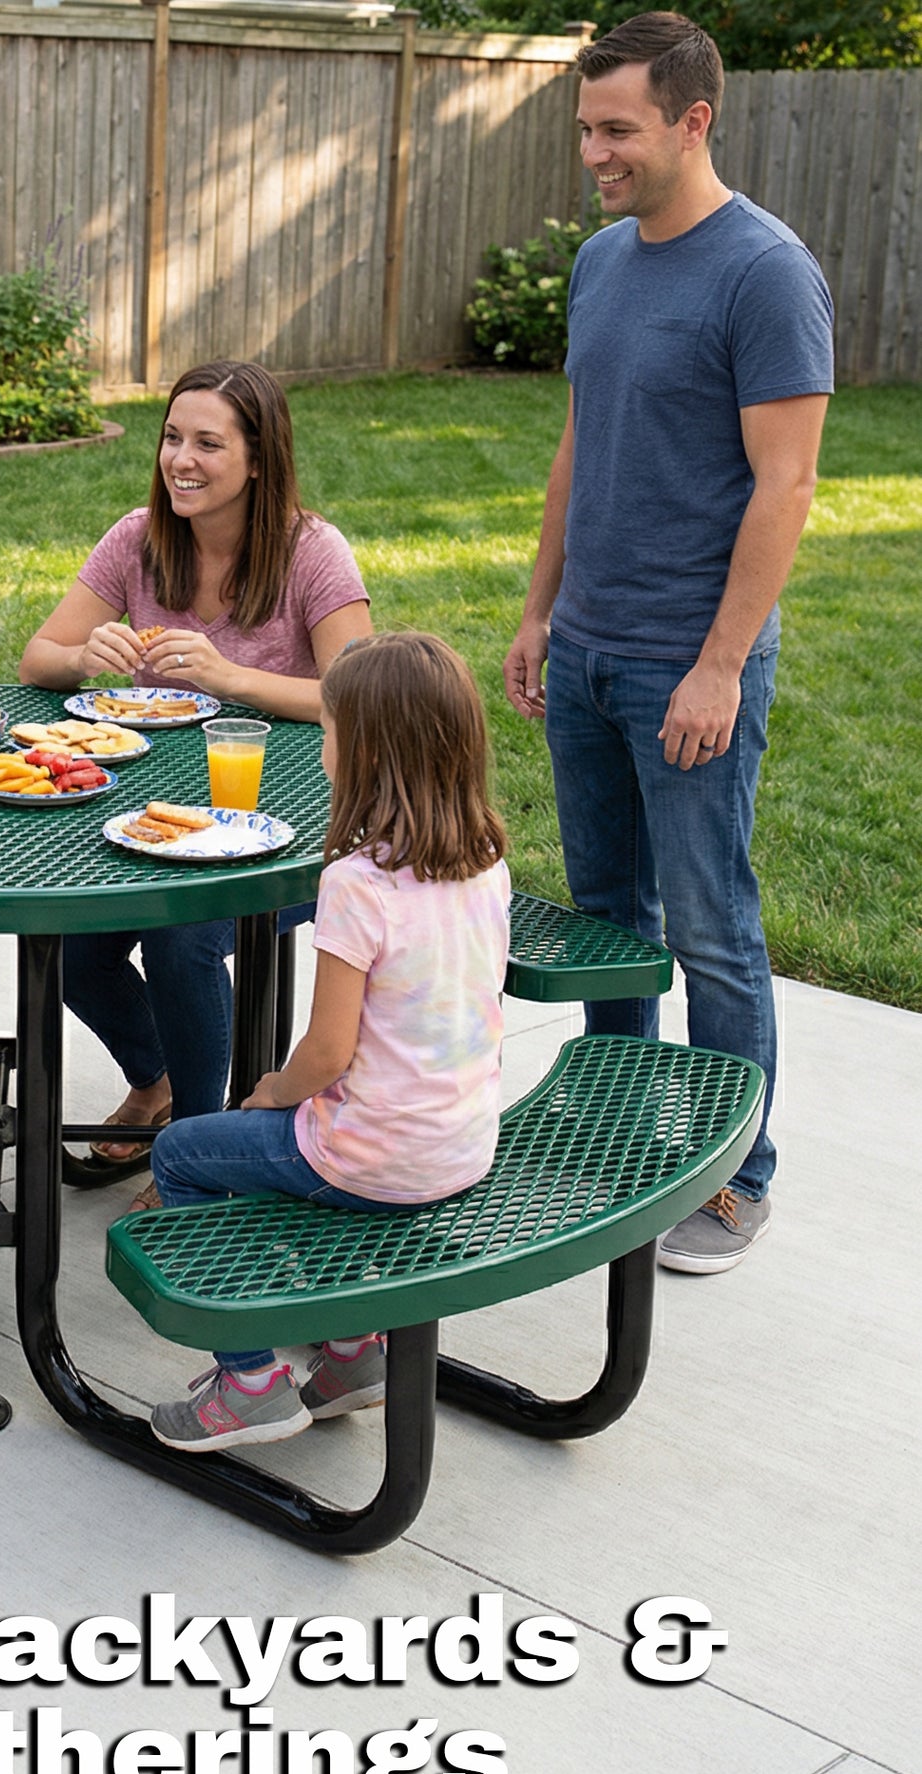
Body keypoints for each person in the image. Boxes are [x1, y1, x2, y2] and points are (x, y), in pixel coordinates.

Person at [503, 12, 832, 1277]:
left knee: (708, 926)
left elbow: (784, 485)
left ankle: (734, 1173)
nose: (593, 152)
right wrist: (539, 608)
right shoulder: (599, 261)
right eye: (584, 128)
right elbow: (579, 451)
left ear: (693, 119)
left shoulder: (762, 272)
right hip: (584, 649)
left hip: (685, 661)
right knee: (607, 918)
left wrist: (715, 662)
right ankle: (628, 1136)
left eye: (615, 129)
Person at [144, 634, 511, 1451]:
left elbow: (327, 1053)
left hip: (376, 1155)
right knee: (271, 1149)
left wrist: (273, 1089)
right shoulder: (486, 858)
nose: (324, 741)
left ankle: (248, 1382)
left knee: (184, 1154)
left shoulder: (357, 883)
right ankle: (352, 1355)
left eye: (332, 727)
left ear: (367, 752)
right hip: (460, 1141)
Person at [19, 359, 371, 1174]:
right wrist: (85, 654)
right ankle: (160, 1082)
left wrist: (227, 677)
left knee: (183, 938)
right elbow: (40, 657)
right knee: (73, 944)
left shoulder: (312, 551)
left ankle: (198, 1149)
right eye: (173, 438)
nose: (181, 459)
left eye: (208, 443)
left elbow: (357, 697)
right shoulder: (138, 538)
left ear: (259, 458)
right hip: (153, 817)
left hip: (290, 826)